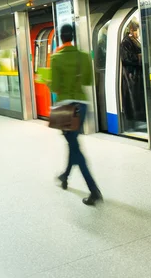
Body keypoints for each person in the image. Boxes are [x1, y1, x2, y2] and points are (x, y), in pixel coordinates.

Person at [50, 25, 102, 206]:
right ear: (73, 37)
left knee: (75, 148)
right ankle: (65, 175)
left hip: (66, 108)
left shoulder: (56, 57)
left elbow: (55, 86)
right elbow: (88, 80)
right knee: (73, 143)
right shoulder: (83, 56)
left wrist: (49, 80)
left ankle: (94, 190)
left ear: (60, 38)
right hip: (82, 105)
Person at [120, 20, 146, 130]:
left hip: (136, 74)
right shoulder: (126, 42)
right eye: (136, 31)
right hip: (131, 75)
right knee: (133, 99)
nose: (137, 33)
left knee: (138, 98)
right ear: (131, 30)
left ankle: (140, 119)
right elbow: (126, 58)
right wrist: (139, 56)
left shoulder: (134, 40)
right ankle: (135, 121)